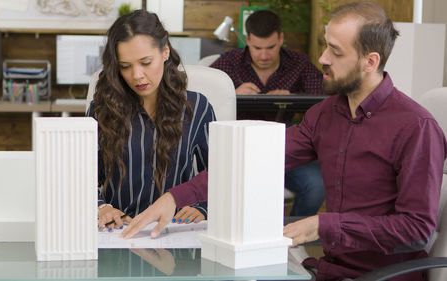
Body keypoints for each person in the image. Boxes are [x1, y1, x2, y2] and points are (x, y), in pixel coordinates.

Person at [123, 2, 447, 280]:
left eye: (335, 51)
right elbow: (251, 161)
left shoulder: (416, 127)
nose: (322, 58)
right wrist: (174, 198)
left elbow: (416, 230)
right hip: (327, 269)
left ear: (370, 61)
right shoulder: (324, 114)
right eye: (325, 45)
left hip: (384, 276)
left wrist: (324, 225)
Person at [89, 10, 216, 231]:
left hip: (176, 231)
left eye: (146, 62)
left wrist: (203, 207)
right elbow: (83, 177)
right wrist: (101, 207)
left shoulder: (198, 107)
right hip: (118, 230)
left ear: (165, 51)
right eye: (125, 66)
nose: (136, 75)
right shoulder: (102, 110)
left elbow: (219, 173)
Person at [213, 9, 325, 217]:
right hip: (239, 152)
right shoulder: (229, 62)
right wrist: (230, 93)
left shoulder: (298, 64)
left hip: (285, 150)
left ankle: (292, 233)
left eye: (271, 47)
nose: (264, 55)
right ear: (247, 40)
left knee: (317, 184)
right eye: (257, 47)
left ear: (281, 39)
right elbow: (201, 97)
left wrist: (293, 97)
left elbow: (324, 101)